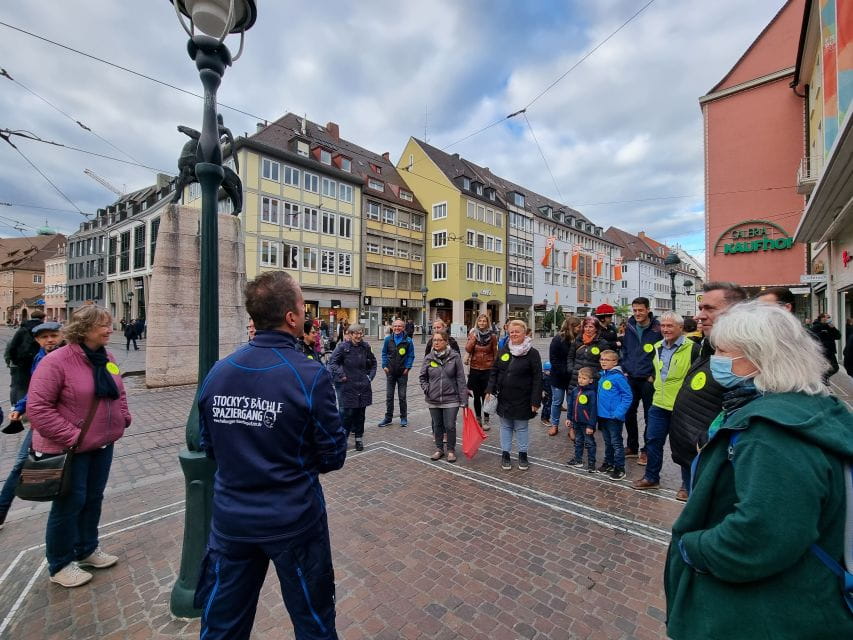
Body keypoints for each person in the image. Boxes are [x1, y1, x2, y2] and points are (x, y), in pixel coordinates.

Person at [664, 302, 853, 638]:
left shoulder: (770, 433)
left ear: (758, 357)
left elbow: (763, 533)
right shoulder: (810, 407)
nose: (715, 360)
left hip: (770, 612)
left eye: (722, 351)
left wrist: (695, 547)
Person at [195, 271, 345, 639]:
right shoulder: (309, 375)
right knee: (313, 621)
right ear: (292, 317)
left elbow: (208, 445)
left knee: (222, 625)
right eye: (301, 305)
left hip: (232, 521)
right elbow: (333, 453)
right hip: (293, 518)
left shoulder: (219, 372)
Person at [27, 306, 131, 588]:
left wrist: (123, 416)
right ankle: (60, 563)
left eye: (109, 324)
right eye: (103, 325)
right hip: (68, 448)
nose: (109, 329)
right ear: (84, 329)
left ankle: (86, 548)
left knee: (92, 498)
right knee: (69, 503)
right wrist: (73, 436)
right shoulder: (57, 362)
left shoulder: (106, 357)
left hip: (102, 442)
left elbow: (118, 391)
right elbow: (38, 408)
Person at [669, 282, 748, 499]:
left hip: (713, 464)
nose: (699, 316)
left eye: (709, 309)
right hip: (693, 458)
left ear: (736, 312)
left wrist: (705, 442)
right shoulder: (707, 345)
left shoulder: (743, 358)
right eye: (701, 308)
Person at [0, 322, 62, 529]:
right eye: (44, 337)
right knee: (21, 464)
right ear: (37, 340)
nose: (50, 340)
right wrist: (20, 406)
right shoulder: (40, 357)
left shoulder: (65, 357)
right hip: (43, 421)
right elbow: (37, 389)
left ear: (61, 335)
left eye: (54, 335)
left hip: (61, 420)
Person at [633, 312, 699, 493]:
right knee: (653, 441)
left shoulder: (693, 349)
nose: (665, 329)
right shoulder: (657, 347)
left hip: (681, 406)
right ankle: (651, 477)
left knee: (683, 446)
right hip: (659, 404)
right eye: (663, 326)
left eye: (670, 326)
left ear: (680, 327)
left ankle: (687, 485)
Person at [486, 319, 542, 471]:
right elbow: (494, 370)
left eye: (517, 331)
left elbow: (538, 378)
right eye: (512, 332)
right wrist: (490, 390)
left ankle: (523, 454)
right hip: (504, 396)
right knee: (505, 426)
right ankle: (505, 454)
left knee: (522, 427)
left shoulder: (532, 353)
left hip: (524, 397)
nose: (514, 334)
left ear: (525, 333)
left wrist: (536, 400)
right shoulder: (504, 350)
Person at [619, 297, 662, 463]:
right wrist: (624, 368)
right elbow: (625, 350)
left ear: (648, 309)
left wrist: (654, 375)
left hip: (648, 379)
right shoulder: (630, 326)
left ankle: (646, 450)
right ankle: (632, 446)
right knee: (629, 412)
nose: (637, 313)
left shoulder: (657, 329)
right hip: (630, 377)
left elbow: (662, 354)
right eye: (635, 310)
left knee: (650, 415)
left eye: (640, 310)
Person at [420, 330, 467, 463]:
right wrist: (427, 389)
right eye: (434, 340)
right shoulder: (429, 357)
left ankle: (451, 450)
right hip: (433, 398)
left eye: (439, 340)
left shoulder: (454, 356)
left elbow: (460, 378)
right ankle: (439, 449)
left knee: (450, 425)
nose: (436, 342)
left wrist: (464, 399)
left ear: (446, 341)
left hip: (451, 398)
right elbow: (422, 376)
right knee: (437, 425)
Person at [328, 324, 376, 452]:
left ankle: (358, 438)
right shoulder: (343, 347)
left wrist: (370, 377)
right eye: (356, 333)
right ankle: (343, 439)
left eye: (361, 333)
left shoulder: (366, 347)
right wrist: (341, 375)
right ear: (350, 334)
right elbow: (332, 363)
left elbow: (373, 363)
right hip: (348, 386)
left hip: (363, 386)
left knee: (361, 414)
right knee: (347, 414)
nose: (359, 336)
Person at [596, 349, 633, 480]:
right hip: (603, 416)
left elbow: (627, 396)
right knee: (607, 441)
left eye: (606, 360)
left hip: (614, 417)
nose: (603, 362)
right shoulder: (603, 375)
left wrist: (619, 412)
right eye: (601, 359)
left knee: (616, 442)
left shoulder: (618, 377)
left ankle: (619, 467)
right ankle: (609, 463)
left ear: (615, 362)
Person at [4, 309, 45, 404]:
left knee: (17, 387)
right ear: (43, 318)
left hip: (21, 363)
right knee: (37, 386)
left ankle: (16, 409)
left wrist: (14, 361)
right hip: (38, 362)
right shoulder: (43, 329)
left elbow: (12, 347)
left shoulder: (22, 328)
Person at [378, 319, 415, 428]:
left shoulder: (408, 341)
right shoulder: (388, 339)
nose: (397, 328)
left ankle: (403, 417)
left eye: (399, 326)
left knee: (402, 396)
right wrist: (384, 366)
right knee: (389, 396)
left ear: (403, 328)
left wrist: (407, 368)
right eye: (395, 326)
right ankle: (388, 418)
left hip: (402, 373)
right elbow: (384, 353)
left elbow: (411, 356)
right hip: (390, 372)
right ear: (392, 327)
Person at [548, 316, 580, 437]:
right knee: (557, 402)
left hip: (573, 377)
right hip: (558, 377)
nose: (580, 328)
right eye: (578, 326)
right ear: (571, 327)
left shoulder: (579, 339)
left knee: (572, 403)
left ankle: (571, 427)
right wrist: (565, 371)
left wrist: (574, 372)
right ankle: (554, 425)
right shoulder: (558, 339)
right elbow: (554, 359)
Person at [465, 314, 497, 430]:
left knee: (486, 396)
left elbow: (495, 353)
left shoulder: (492, 336)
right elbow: (468, 349)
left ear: (487, 323)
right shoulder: (473, 334)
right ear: (477, 322)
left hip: (488, 369)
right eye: (480, 321)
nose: (482, 323)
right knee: (477, 396)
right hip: (475, 369)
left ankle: (486, 419)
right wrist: (473, 338)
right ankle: (478, 418)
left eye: (484, 321)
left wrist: (495, 369)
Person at [564, 367, 598, 472]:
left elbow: (593, 410)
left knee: (590, 443)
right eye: (579, 377)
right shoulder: (575, 390)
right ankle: (578, 460)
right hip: (576, 421)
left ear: (590, 380)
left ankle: (591, 463)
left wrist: (591, 425)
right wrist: (569, 418)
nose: (580, 380)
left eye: (584, 378)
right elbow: (570, 405)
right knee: (578, 441)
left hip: (586, 424)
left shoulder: (592, 393)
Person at [567, 316, 610, 388]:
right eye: (586, 326)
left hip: (593, 379)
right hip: (576, 378)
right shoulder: (577, 340)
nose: (588, 329)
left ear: (596, 328)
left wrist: (598, 374)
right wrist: (571, 369)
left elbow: (607, 361)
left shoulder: (602, 343)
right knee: (574, 397)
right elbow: (570, 357)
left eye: (591, 327)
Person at [810, 312, 842, 382]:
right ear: (822, 318)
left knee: (835, 367)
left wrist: (833, 328)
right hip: (821, 350)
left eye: (829, 317)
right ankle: (821, 380)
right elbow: (811, 336)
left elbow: (838, 336)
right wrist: (822, 333)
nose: (829, 319)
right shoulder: (816, 326)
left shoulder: (830, 326)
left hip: (830, 351)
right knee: (821, 367)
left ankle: (823, 378)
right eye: (827, 317)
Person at [540, 362, 553, 427]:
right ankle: (544, 419)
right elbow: (539, 386)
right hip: (545, 395)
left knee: (549, 406)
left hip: (550, 394)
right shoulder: (542, 377)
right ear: (544, 370)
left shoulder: (551, 376)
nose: (549, 372)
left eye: (550, 370)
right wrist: (542, 392)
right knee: (547, 407)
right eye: (547, 370)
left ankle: (546, 417)